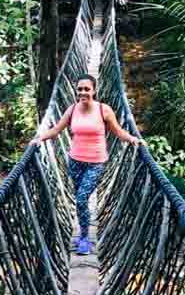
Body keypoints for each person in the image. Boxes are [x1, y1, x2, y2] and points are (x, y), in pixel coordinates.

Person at [30, 74, 144, 255]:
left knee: (82, 199)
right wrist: (39, 138)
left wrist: (133, 139)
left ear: (94, 90)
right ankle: (83, 233)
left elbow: (118, 131)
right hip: (75, 162)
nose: (83, 92)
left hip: (96, 163)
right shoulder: (72, 109)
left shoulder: (103, 110)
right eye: (80, 89)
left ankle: (85, 238)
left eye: (87, 89)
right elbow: (56, 129)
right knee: (80, 201)